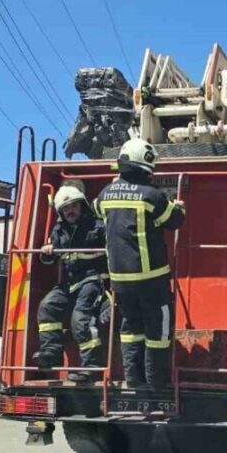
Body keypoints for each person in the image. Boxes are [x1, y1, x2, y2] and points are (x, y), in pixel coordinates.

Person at [93, 138, 185, 390]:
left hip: (120, 281)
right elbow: (175, 221)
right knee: (158, 329)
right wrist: (177, 206)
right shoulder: (152, 195)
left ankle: (133, 379)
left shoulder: (105, 194)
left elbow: (98, 211)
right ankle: (156, 382)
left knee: (131, 327)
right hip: (151, 278)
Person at [33, 180, 111, 380]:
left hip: (94, 280)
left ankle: (92, 367)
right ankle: (51, 353)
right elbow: (49, 259)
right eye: (65, 209)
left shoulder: (98, 226)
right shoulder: (58, 231)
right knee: (47, 306)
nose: (70, 211)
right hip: (70, 283)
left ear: (82, 205)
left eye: (74, 206)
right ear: (60, 212)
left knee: (80, 319)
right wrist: (47, 252)